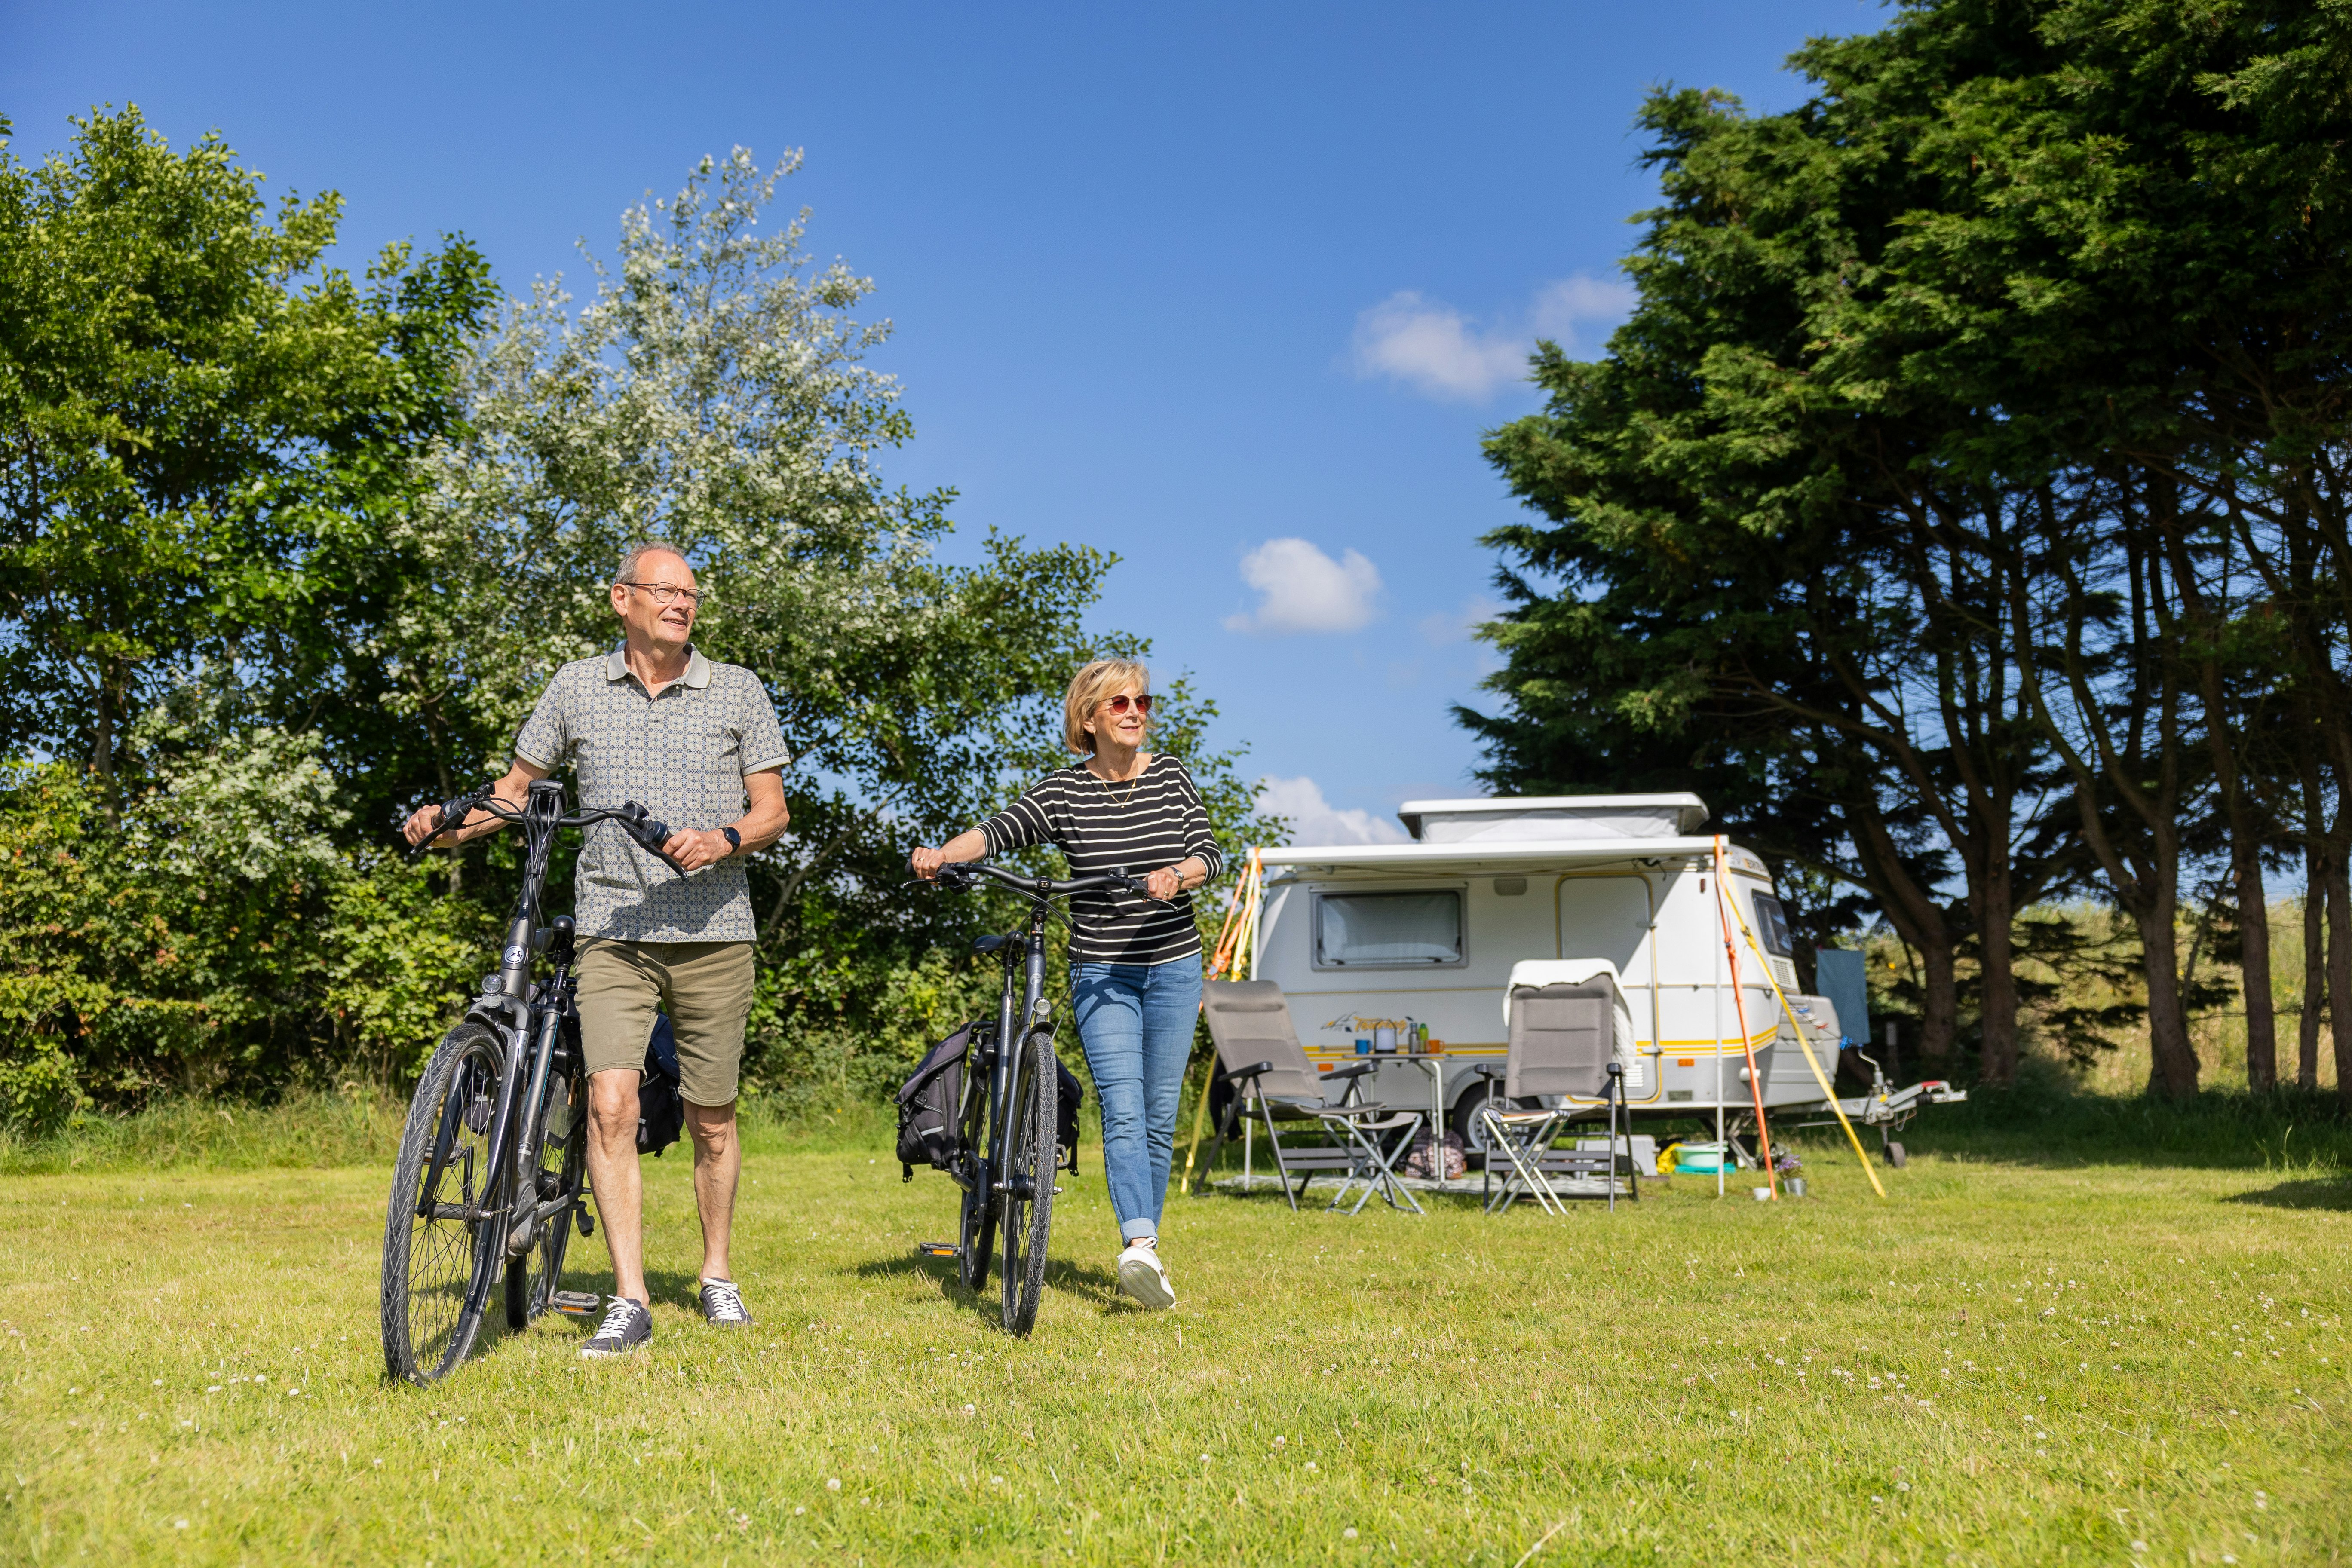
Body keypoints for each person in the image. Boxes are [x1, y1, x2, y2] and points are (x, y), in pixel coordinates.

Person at [404, 541, 791, 1359]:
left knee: (710, 1119)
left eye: (691, 594)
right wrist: (449, 825)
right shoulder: (576, 686)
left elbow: (772, 811)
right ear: (624, 599)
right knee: (610, 1106)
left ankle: (717, 1273)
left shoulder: (738, 690)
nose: (682, 605)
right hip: (613, 929)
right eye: (666, 591)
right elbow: (514, 792)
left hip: (716, 932)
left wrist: (722, 840)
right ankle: (630, 1296)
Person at [910, 659, 1221, 1310]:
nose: (1135, 711)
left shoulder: (1171, 777)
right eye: (1119, 704)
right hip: (1102, 969)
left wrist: (1177, 875)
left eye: (1142, 701)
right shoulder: (1064, 793)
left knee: (1161, 1117)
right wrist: (943, 854)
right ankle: (1138, 1244)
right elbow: (996, 832)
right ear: (1089, 718)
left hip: (1172, 964)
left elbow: (1209, 853)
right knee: (1124, 1106)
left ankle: (1148, 1250)